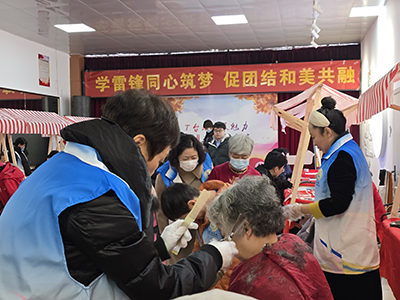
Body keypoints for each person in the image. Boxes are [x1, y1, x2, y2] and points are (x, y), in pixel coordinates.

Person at [0, 89, 238, 300]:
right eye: (159, 159)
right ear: (139, 143)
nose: (154, 168)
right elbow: (156, 288)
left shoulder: (62, 167)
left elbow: (105, 260)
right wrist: (214, 255)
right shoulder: (94, 195)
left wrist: (160, 247)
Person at [283, 97, 381, 300]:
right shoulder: (344, 151)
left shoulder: (343, 157)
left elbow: (338, 203)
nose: (314, 142)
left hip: (346, 252)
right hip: (346, 245)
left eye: (314, 136)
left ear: (327, 132)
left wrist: (302, 210)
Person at [207, 176, 334, 300]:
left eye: (226, 233)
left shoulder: (257, 287)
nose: (226, 239)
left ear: (247, 228)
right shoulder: (292, 241)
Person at [155, 132, 213, 262]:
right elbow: (161, 211)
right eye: (185, 158)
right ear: (176, 157)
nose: (190, 162)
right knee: (180, 263)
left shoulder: (207, 168)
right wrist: (166, 237)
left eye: (193, 157)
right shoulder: (165, 175)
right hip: (179, 227)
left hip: (205, 227)